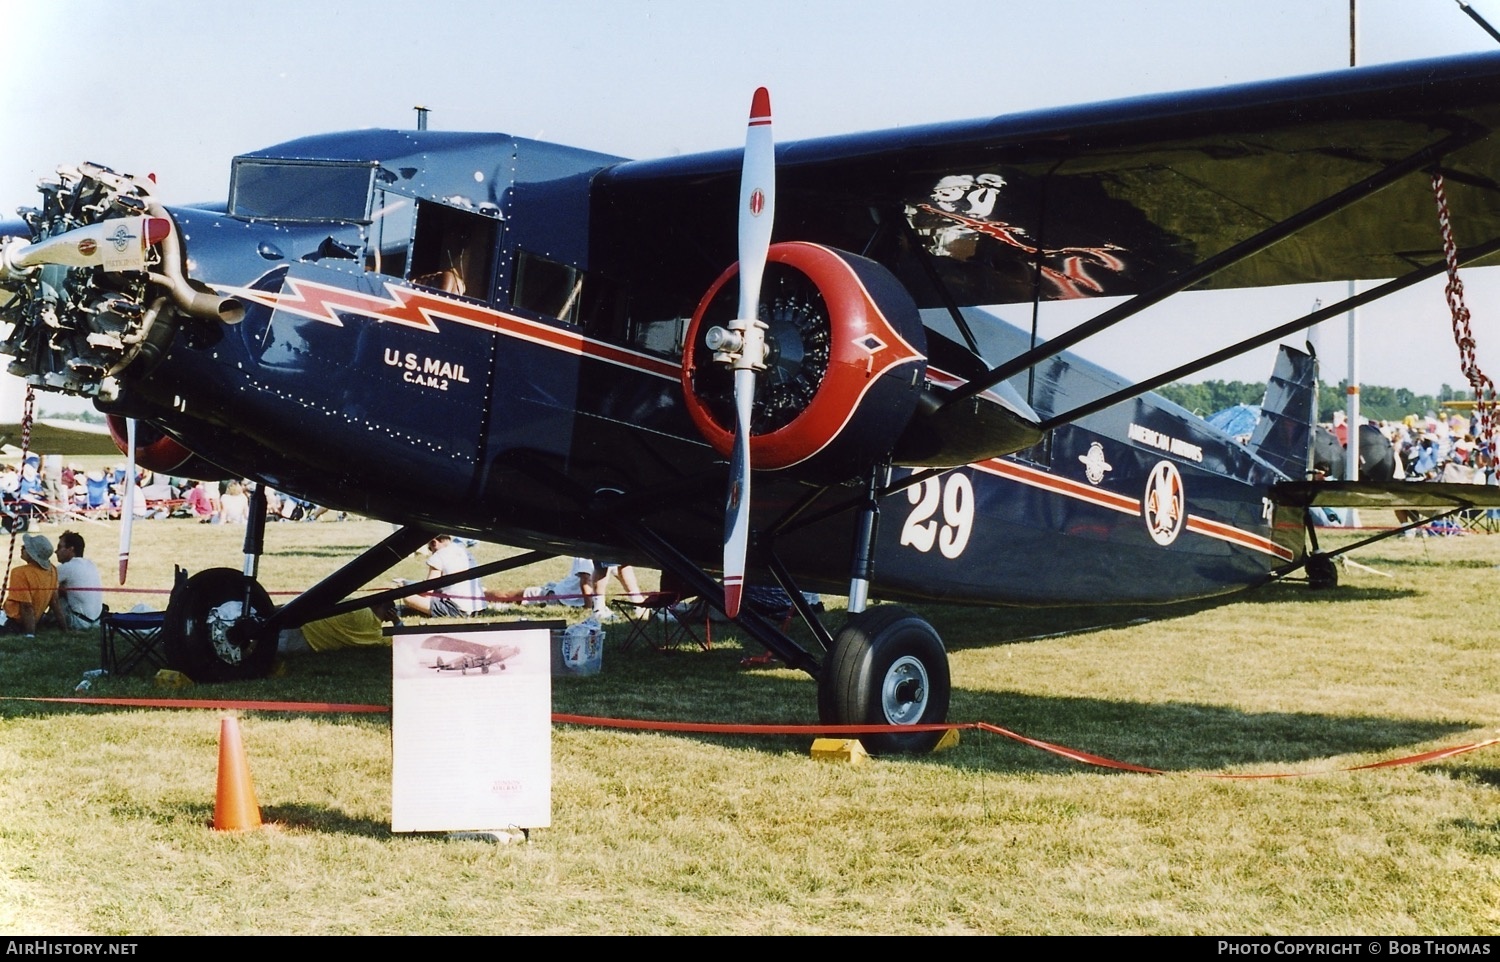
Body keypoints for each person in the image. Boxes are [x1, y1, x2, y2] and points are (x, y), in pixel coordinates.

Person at [397, 535, 484, 618]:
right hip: (479, 607)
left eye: (430, 549)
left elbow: (427, 592)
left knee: (408, 598)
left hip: (459, 609)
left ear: (434, 543)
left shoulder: (438, 556)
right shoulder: (465, 552)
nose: (431, 552)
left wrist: (407, 588)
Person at [0, 533, 59, 636]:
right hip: (35, 621)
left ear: (32, 555)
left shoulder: (20, 572)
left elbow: (26, 606)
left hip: (12, 622)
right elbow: (55, 602)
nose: (22, 547)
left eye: (26, 547)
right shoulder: (52, 570)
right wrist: (65, 629)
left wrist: (30, 635)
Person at [53, 530, 103, 630]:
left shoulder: (68, 567)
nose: (56, 551)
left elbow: (44, 586)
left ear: (71, 549)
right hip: (97, 621)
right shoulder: (91, 564)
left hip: (79, 622)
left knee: (52, 594)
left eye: (59, 547)